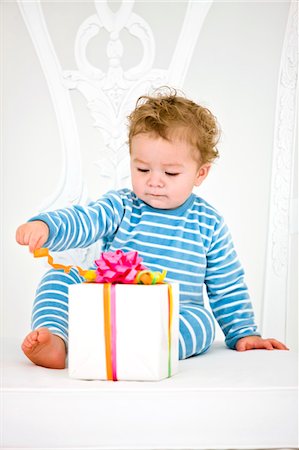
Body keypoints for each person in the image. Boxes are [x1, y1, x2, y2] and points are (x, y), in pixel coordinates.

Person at [16, 88, 288, 369]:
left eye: (170, 173)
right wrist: (47, 226)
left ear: (200, 173)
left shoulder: (208, 223)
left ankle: (146, 347)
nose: (154, 182)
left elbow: (227, 285)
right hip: (111, 307)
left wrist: (244, 332)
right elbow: (86, 220)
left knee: (202, 323)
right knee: (59, 278)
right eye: (143, 169)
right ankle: (56, 340)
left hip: (167, 316)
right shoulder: (121, 206)